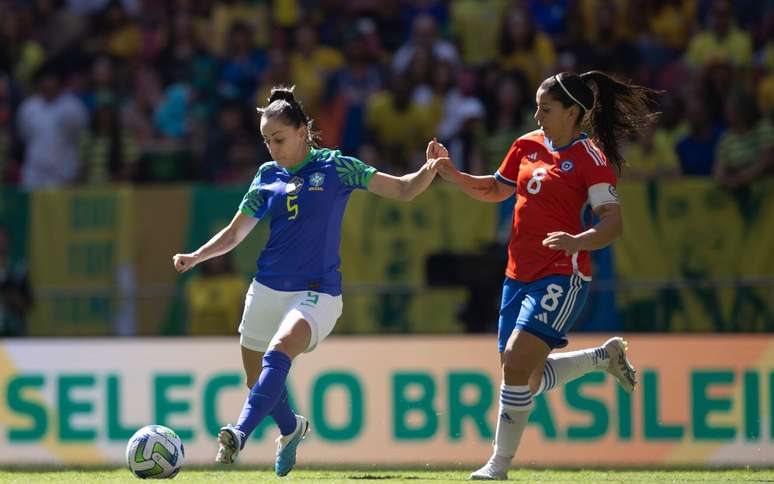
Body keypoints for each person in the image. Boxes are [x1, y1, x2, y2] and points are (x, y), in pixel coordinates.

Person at [172, 86, 441, 476]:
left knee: (278, 352)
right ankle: (291, 428)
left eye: (278, 139)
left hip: (317, 293)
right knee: (257, 381)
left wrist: (427, 171)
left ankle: (238, 434)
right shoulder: (267, 176)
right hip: (266, 288)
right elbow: (234, 234)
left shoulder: (338, 167)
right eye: (266, 141)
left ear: (302, 131)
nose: (272, 148)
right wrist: (197, 256)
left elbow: (402, 189)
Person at [430, 71, 658, 480]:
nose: (537, 116)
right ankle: (602, 358)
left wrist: (578, 240)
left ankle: (497, 466)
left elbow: (613, 223)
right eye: (536, 106)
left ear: (573, 112)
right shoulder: (526, 145)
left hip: (561, 274)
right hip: (517, 274)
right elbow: (497, 189)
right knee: (524, 376)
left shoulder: (591, 159)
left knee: (516, 365)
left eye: (546, 109)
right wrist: (453, 174)